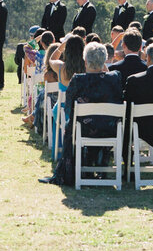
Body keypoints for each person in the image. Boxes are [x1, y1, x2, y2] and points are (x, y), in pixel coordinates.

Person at [39, 42, 123, 186]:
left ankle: (68, 171)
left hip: (83, 130)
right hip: (109, 130)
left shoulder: (78, 80)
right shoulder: (114, 78)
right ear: (104, 61)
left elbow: (69, 109)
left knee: (70, 126)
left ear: (85, 61)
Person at [46, 35, 86, 159]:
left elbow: (51, 60)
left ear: (67, 51)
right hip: (84, 111)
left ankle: (58, 152)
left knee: (56, 113)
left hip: (63, 111)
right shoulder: (88, 67)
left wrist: (60, 48)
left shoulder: (61, 67)